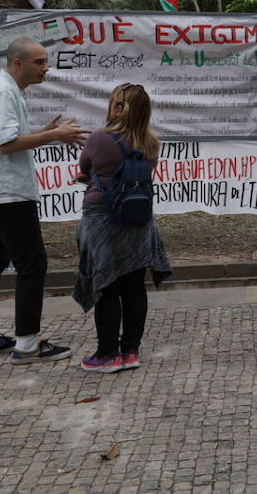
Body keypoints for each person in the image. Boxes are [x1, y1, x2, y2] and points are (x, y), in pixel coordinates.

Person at [0, 37, 88, 364]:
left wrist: (42, 133)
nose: (46, 68)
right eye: (39, 62)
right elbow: (7, 144)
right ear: (17, 63)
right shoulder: (3, 93)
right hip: (7, 194)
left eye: (46, 61)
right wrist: (54, 135)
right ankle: (28, 343)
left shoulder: (5, 91)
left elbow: (8, 139)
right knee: (32, 264)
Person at [73, 83, 172, 373]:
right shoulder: (151, 142)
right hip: (138, 218)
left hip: (102, 217)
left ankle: (107, 354)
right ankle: (131, 351)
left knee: (106, 286)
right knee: (134, 285)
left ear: (117, 106)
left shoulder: (99, 138)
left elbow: (85, 166)